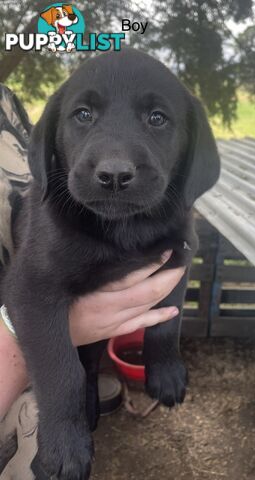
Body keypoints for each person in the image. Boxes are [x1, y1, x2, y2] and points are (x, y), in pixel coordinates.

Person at [0, 84, 184, 478]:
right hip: (22, 358)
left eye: (155, 118)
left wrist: (162, 350)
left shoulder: (6, 98)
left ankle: (85, 383)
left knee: (87, 352)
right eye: (84, 114)